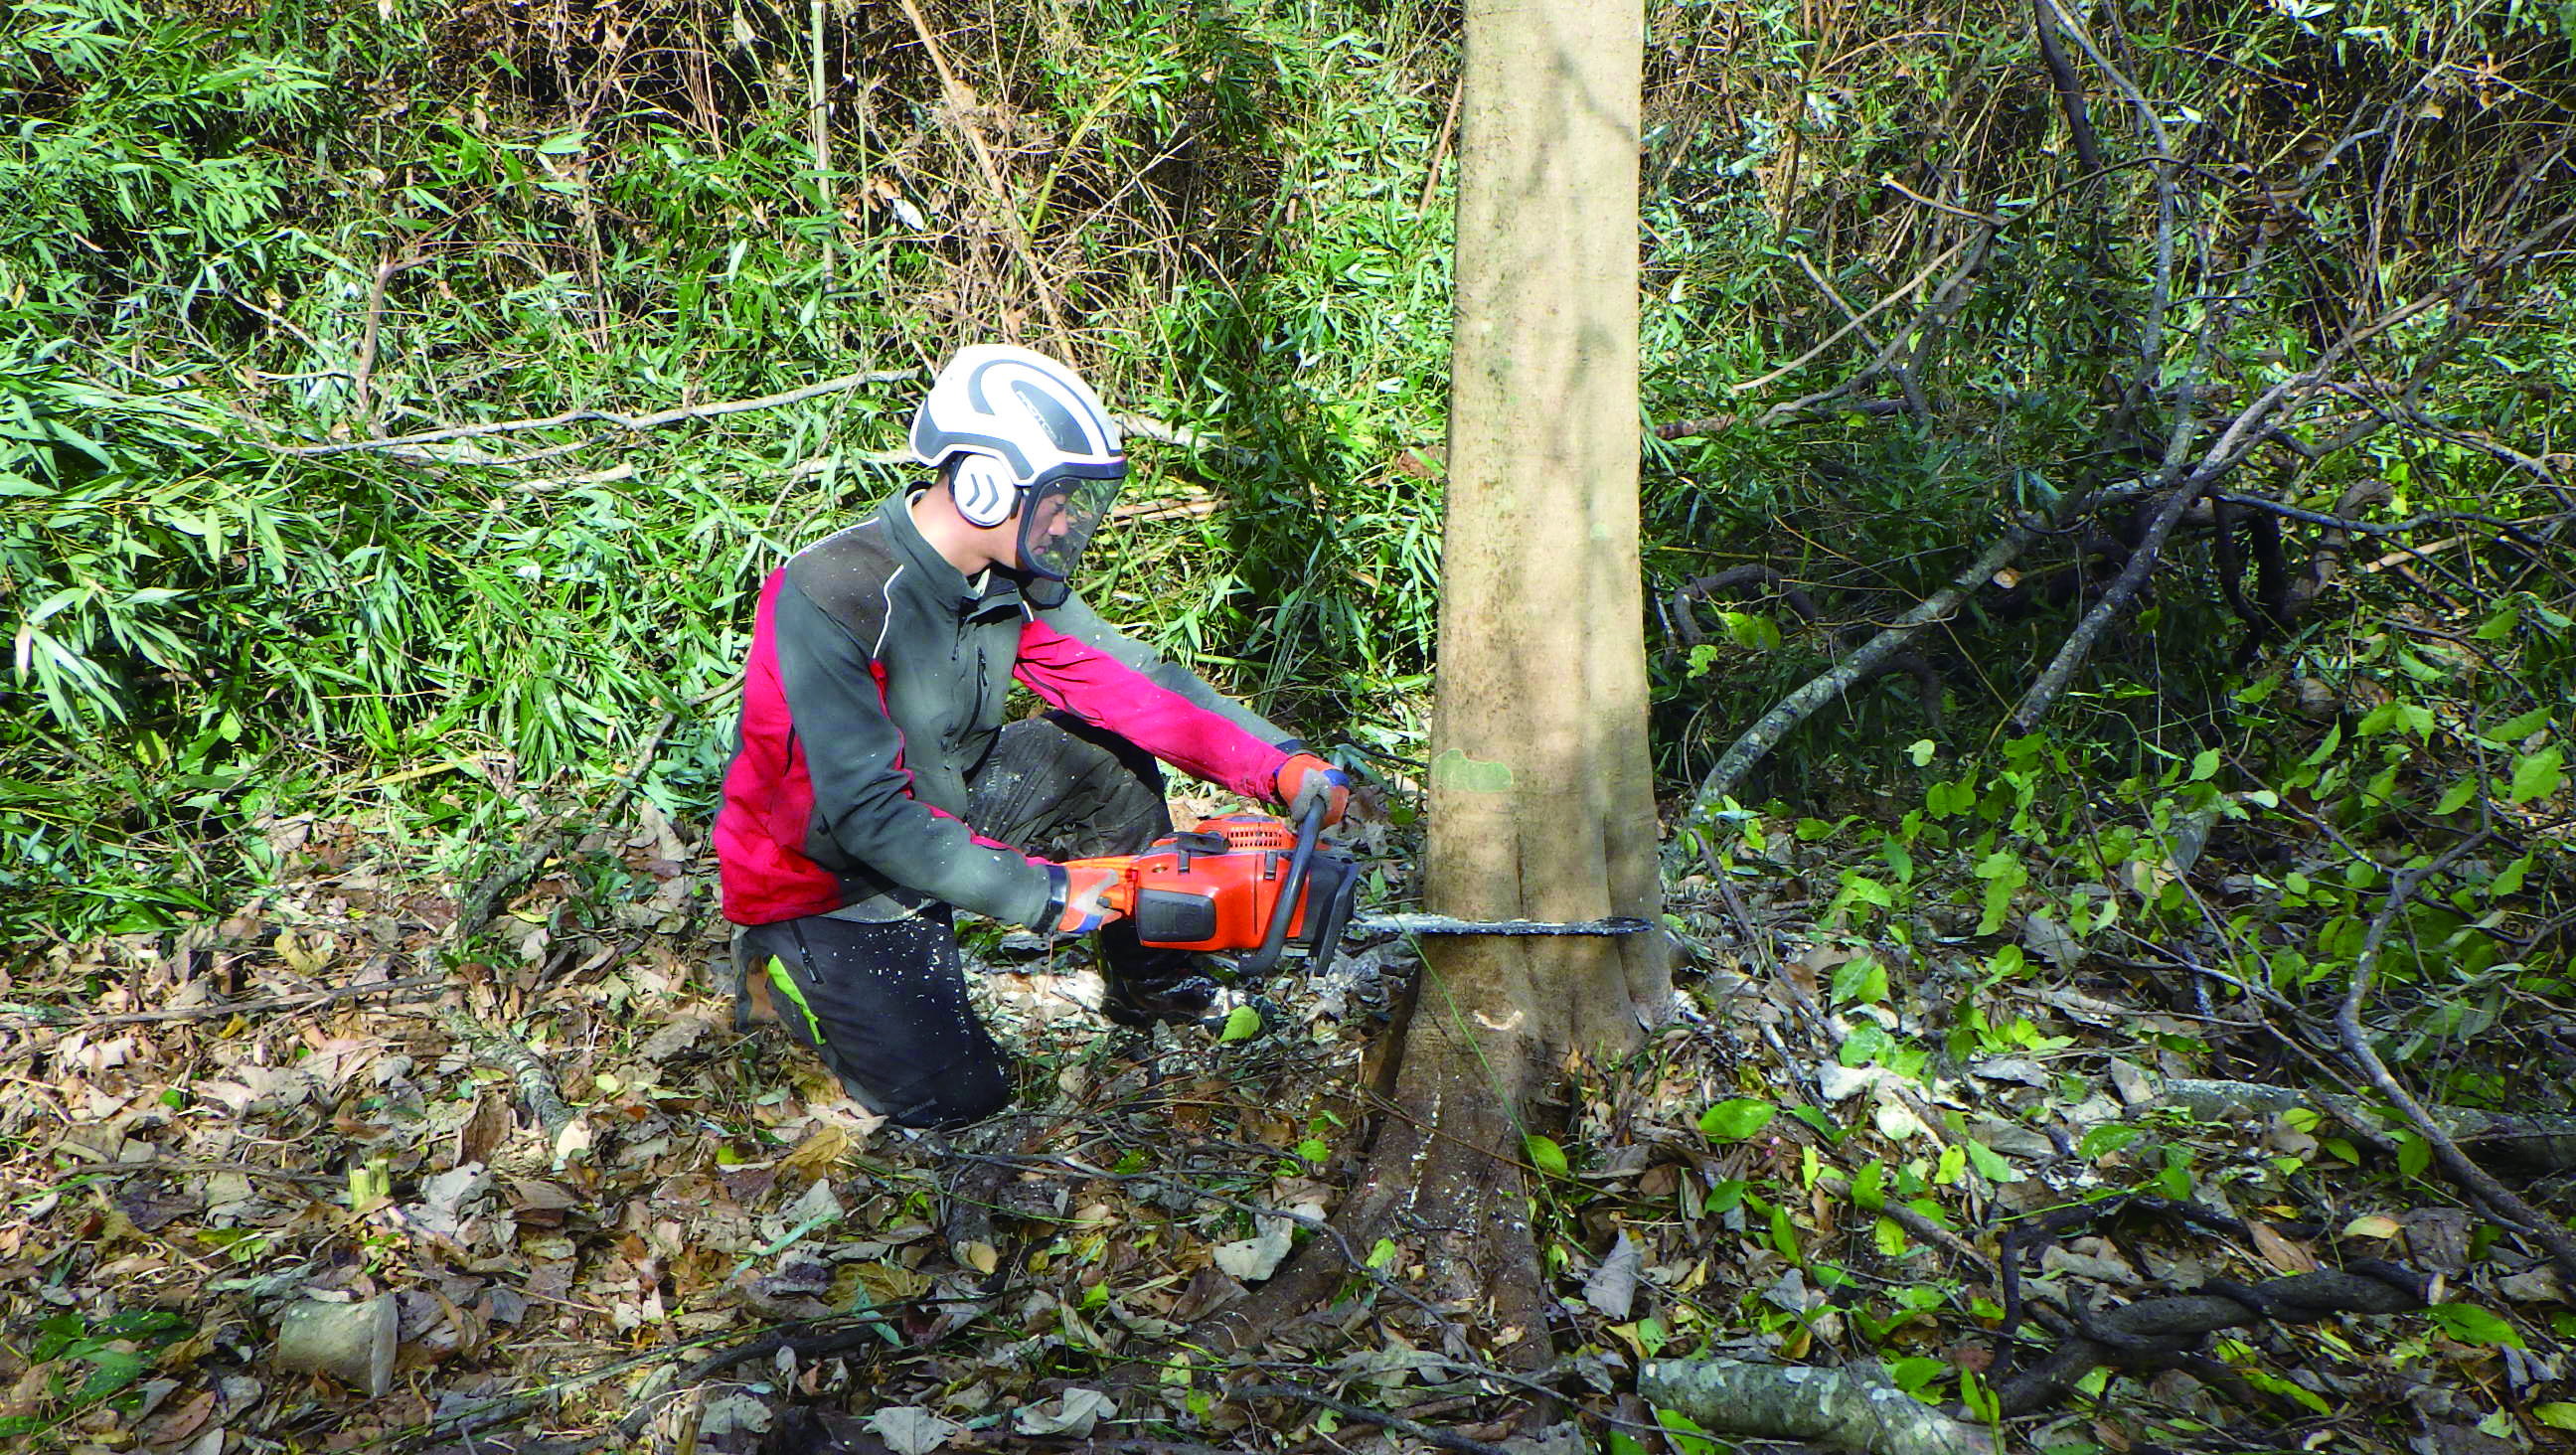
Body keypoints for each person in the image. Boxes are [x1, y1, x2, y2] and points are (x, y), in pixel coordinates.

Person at [712, 344, 1350, 1129]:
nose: (1066, 520)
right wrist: (1043, 894)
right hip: (834, 877)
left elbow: (1129, 680)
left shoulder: (1006, 582)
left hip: (948, 799)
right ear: (983, 483)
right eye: (1055, 499)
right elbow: (866, 815)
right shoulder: (833, 596)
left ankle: (1150, 977)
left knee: (1102, 763)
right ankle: (786, 971)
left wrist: (1278, 764)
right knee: (959, 1100)